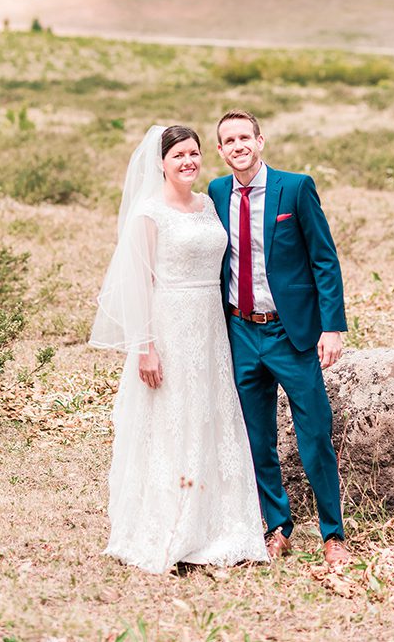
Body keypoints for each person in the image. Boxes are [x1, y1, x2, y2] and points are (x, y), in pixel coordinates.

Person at [90, 125, 268, 574]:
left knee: (210, 415)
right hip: (168, 326)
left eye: (194, 153)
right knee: (172, 420)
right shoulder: (148, 214)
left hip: (210, 328)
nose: (189, 161)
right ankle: (171, 526)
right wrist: (145, 348)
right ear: (161, 163)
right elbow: (138, 285)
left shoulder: (208, 204)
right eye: (179, 155)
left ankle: (218, 525)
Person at [209, 109, 352, 569]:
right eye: (228, 140)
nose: (237, 146)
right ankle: (277, 526)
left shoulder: (295, 187)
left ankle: (333, 534)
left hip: (291, 334)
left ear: (260, 140)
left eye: (244, 137)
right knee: (256, 437)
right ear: (220, 150)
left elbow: (324, 261)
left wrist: (332, 327)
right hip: (240, 331)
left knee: (314, 435)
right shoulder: (215, 193)